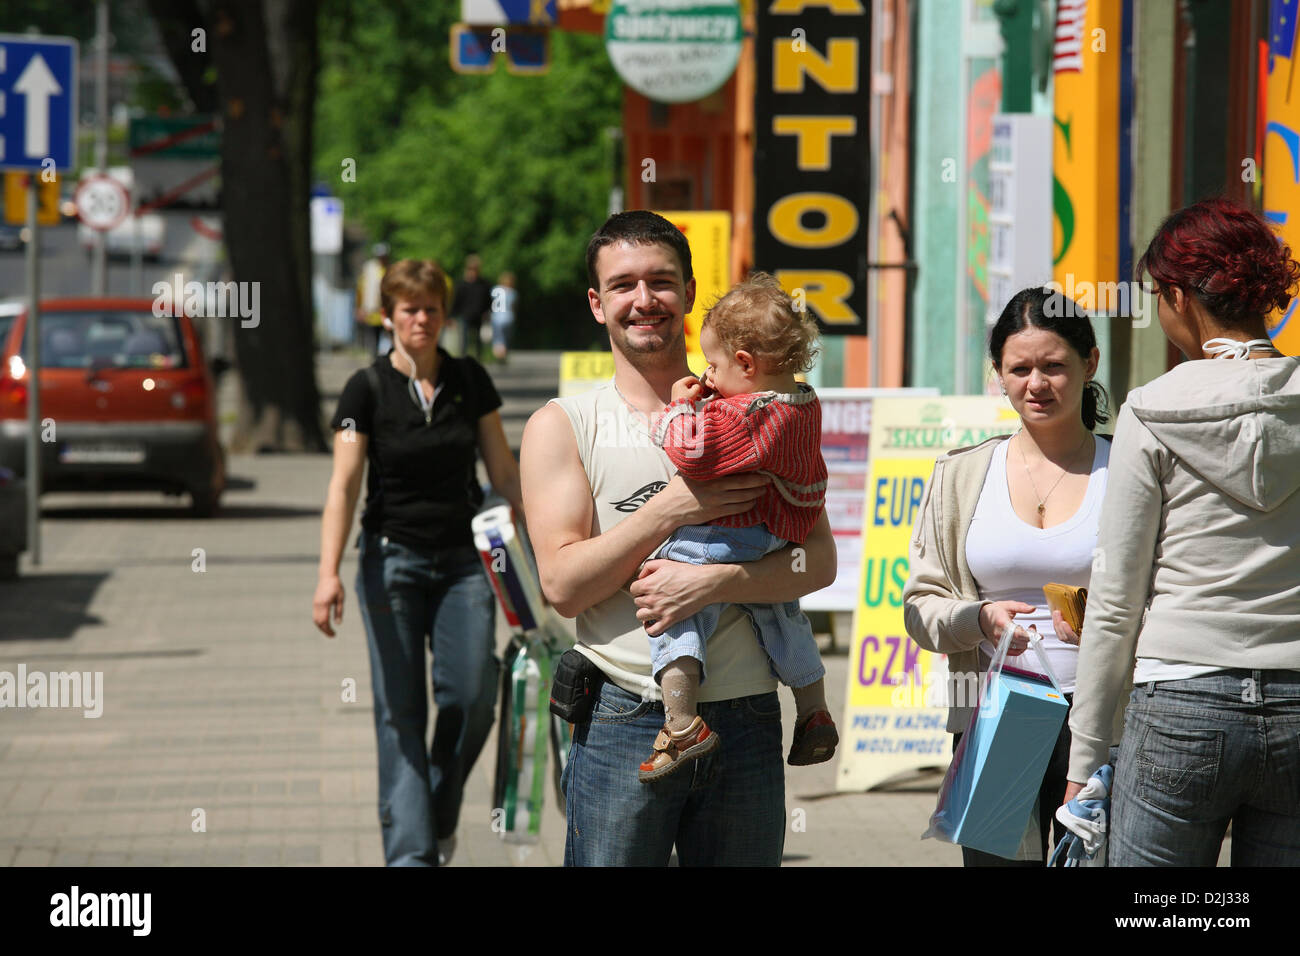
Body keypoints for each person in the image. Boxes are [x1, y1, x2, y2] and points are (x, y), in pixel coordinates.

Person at [520, 210, 836, 866]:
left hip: (747, 717)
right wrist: (669, 511)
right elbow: (563, 587)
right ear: (596, 303)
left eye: (661, 282)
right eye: (623, 285)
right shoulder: (563, 424)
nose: (644, 300)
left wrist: (717, 580)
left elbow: (818, 562)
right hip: (622, 718)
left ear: (690, 293)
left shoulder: (764, 409)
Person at [1064, 197, 1300, 866]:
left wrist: (1085, 758)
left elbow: (1115, 597)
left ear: (1177, 294)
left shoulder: (1152, 407)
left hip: (1181, 700)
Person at [313, 258, 524, 867]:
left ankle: (437, 810)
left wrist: (548, 550)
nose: (422, 319)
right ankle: (412, 856)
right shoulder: (366, 388)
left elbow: (503, 473)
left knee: (475, 692)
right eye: (410, 309)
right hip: (391, 562)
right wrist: (327, 572)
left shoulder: (469, 380)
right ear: (389, 316)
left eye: (431, 308)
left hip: (465, 563)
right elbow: (343, 486)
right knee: (400, 713)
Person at [903, 286, 1112, 866]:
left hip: (1105, 717)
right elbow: (921, 604)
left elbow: (1170, 593)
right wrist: (978, 618)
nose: (1036, 384)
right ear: (998, 374)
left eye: (1054, 366)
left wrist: (1113, 619)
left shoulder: (1128, 469)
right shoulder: (963, 473)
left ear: (1090, 362)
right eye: (1019, 369)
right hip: (998, 714)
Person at [637, 273, 837, 783]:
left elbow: (693, 453)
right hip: (776, 532)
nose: (708, 373)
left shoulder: (748, 412)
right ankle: (813, 708)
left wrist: (679, 408)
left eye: (715, 364)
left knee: (673, 595)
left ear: (746, 364)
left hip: (737, 528)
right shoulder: (801, 402)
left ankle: (680, 722)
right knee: (778, 610)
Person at [449, 254, 491, 361]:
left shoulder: (484, 284)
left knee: (478, 340)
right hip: (464, 316)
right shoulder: (461, 284)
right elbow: (456, 301)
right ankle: (463, 360)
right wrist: (452, 316)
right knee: (464, 340)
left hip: (478, 315)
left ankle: (478, 359)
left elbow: (488, 301)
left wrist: (487, 313)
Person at [355, 242, 390, 356]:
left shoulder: (390, 270)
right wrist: (360, 307)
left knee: (387, 341)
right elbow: (361, 289)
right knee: (373, 341)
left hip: (387, 313)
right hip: (372, 312)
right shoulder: (370, 270)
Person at [489, 271, 517, 362]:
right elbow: (513, 307)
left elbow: (491, 304)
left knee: (498, 337)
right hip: (508, 317)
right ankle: (503, 354)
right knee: (506, 338)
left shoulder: (495, 290)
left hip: (496, 317)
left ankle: (498, 355)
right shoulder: (512, 292)